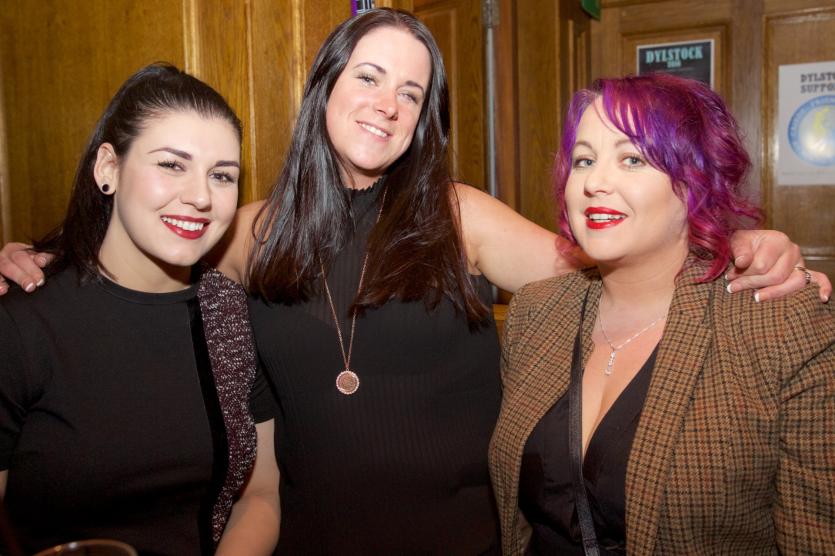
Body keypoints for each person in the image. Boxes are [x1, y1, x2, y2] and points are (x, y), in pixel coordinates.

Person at [0, 9, 829, 555]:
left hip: (459, 542)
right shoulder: (249, 230)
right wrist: (36, 255)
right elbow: (142, 250)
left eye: (412, 91)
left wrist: (733, 240)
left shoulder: (460, 217)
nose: (386, 104)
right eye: (367, 76)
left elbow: (616, 265)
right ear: (324, 85)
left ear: (424, 117)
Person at [489, 73, 835, 555]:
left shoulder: (778, 324)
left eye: (632, 159)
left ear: (694, 183)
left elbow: (815, 537)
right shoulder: (537, 312)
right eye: (584, 160)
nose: (594, 182)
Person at [0, 64, 279, 555]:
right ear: (108, 168)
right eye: (171, 164)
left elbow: (259, 496)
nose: (200, 196)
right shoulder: (21, 323)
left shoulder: (229, 314)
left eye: (221, 175)